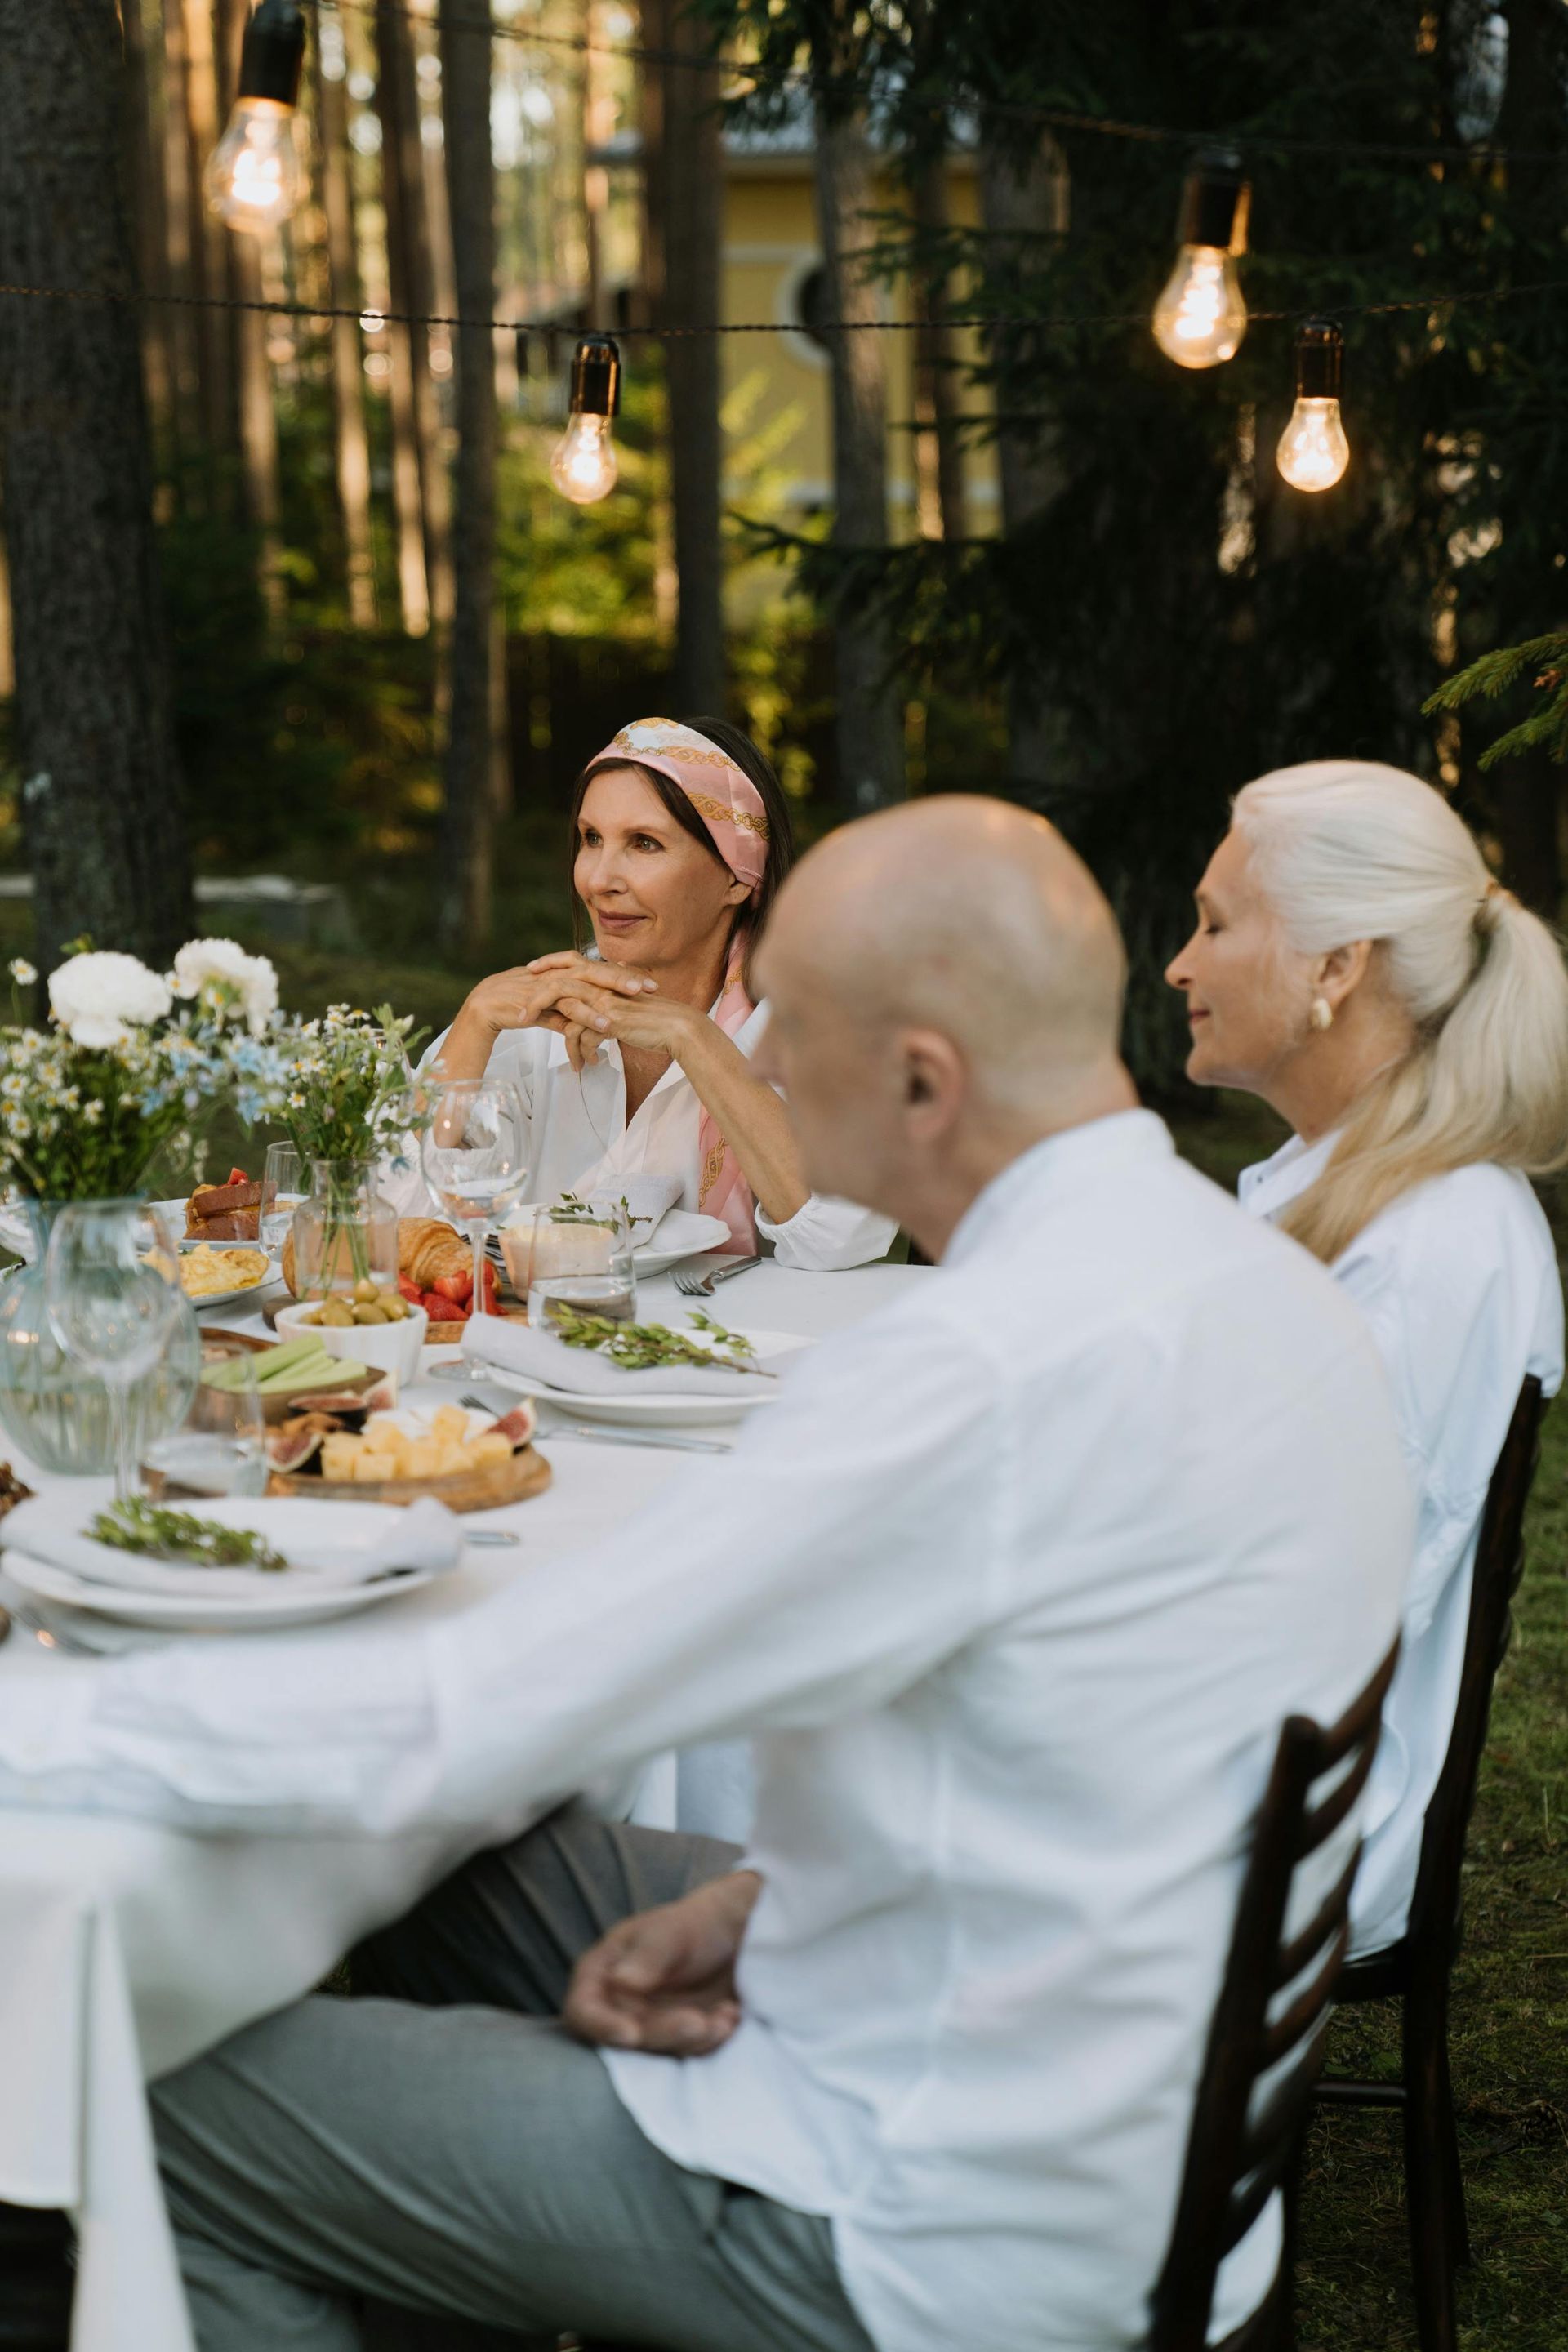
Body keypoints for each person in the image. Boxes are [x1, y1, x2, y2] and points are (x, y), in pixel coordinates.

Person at [0, 799, 1411, 2352]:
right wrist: (755, 1898)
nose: (763, 1078)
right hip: (1087, 2085)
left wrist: (42, 1732)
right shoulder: (1261, 1281)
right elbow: (1129, 1754)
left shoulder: (975, 1370)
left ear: (921, 1081)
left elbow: (463, 1713)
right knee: (458, 1874)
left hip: (914, 2209)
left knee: (159, 2108)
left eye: (789, 1041)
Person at [1166, 757, 1568, 1957]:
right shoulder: (1351, 1185)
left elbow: (1282, 1619)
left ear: (1339, 965)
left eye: (1216, 923)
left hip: (1270, 1821)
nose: (1182, 963)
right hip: (1231, 1758)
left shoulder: (1424, 1245)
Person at [399, 714, 893, 1271]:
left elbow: (841, 1241)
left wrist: (694, 1038)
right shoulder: (535, 1021)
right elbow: (407, 1214)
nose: (599, 878)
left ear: (738, 875)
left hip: (749, 1351)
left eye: (644, 843)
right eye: (591, 838)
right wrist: (472, 1026)